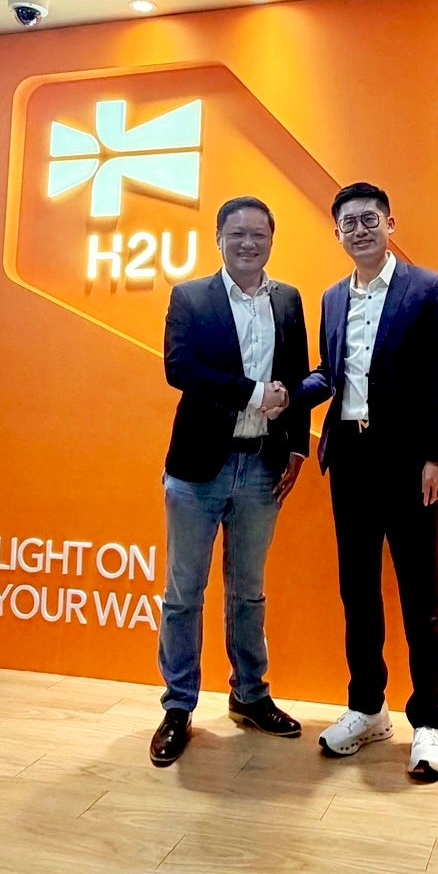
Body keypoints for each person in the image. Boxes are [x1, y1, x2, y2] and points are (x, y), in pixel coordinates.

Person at [295, 182, 438, 781]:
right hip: (351, 461)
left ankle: (428, 722)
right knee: (358, 592)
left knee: (420, 595)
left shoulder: (427, 288)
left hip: (409, 464)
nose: (359, 230)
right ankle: (368, 708)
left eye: (369, 219)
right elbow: (329, 372)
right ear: (336, 232)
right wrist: (289, 394)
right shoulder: (332, 297)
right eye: (349, 223)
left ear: (391, 223)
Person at [149, 196, 311, 767]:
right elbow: (180, 369)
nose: (248, 243)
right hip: (198, 468)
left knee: (248, 591)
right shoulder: (190, 297)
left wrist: (297, 445)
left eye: (258, 234)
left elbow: (296, 375)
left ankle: (250, 695)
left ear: (271, 239)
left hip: (262, 466)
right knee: (183, 593)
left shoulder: (288, 299)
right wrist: (252, 394)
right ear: (219, 237)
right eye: (237, 233)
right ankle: (178, 706)